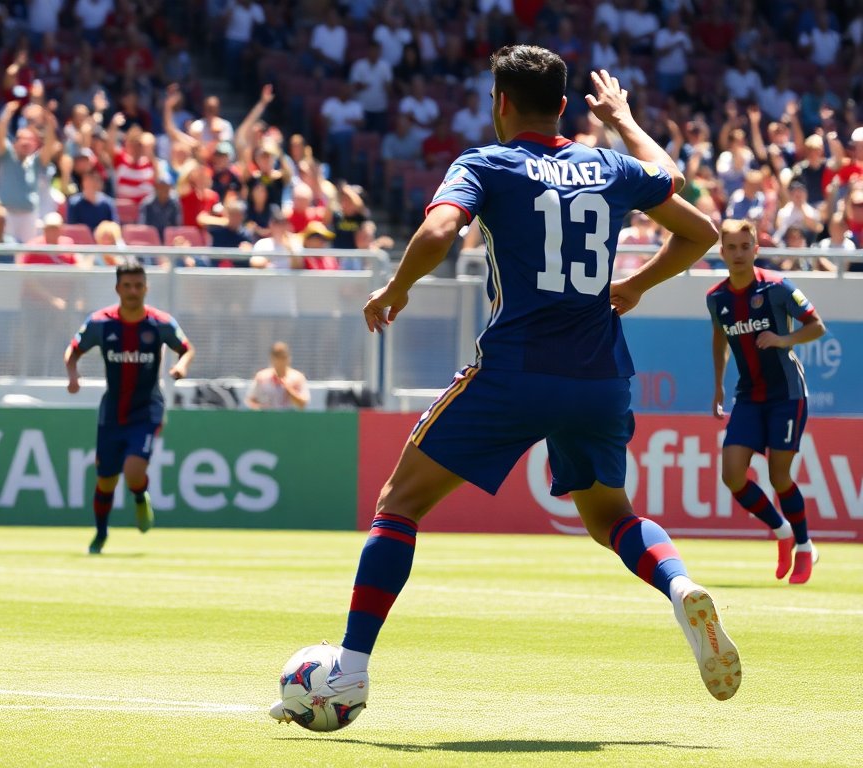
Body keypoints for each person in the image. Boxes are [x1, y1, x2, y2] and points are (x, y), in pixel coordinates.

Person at [271, 48, 733, 728]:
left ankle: (350, 667)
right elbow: (700, 227)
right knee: (610, 517)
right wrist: (628, 131)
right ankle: (679, 583)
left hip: (515, 370)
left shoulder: (487, 163)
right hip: (599, 374)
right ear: (566, 106)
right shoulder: (607, 164)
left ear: (500, 102)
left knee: (399, 504)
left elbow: (437, 228)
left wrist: (396, 287)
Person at [709, 219, 826, 584]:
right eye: (732, 247)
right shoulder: (717, 298)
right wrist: (718, 387)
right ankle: (781, 531)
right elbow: (719, 340)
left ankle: (805, 546)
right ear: (722, 252)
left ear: (755, 249)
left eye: (746, 246)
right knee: (731, 473)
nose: (739, 253)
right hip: (749, 395)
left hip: (786, 394)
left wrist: (781, 340)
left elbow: (816, 325)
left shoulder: (776, 287)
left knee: (779, 476)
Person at [64, 263, 195, 555]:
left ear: (146, 288)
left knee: (134, 471)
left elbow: (186, 347)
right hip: (112, 411)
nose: (133, 291)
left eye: (138, 285)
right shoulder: (101, 323)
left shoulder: (160, 323)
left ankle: (139, 495)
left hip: (147, 408)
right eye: (127, 286)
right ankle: (100, 535)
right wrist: (73, 374)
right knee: (106, 480)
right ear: (117, 288)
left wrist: (181, 365)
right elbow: (73, 350)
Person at [245, 342, 309, 410]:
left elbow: (303, 404)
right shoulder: (262, 377)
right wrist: (260, 410)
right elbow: (250, 400)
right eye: (277, 357)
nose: (280, 361)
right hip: (266, 419)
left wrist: (288, 389)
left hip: (290, 419)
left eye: (283, 357)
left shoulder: (297, 378)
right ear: (272, 358)